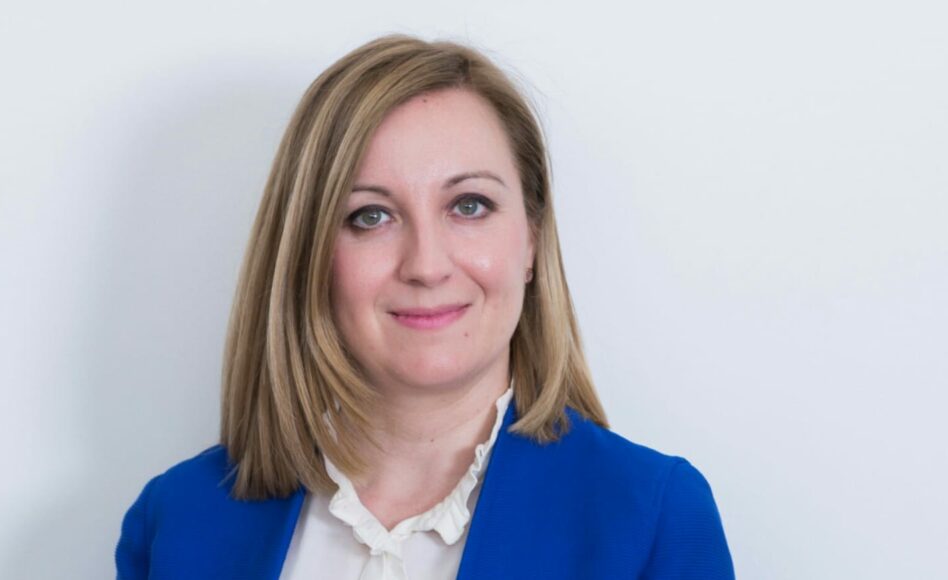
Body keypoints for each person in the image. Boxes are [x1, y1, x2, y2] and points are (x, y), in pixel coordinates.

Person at [115, 33, 734, 580]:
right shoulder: (175, 520)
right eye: (371, 216)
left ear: (532, 240)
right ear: (308, 255)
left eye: (469, 205)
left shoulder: (652, 519)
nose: (427, 265)